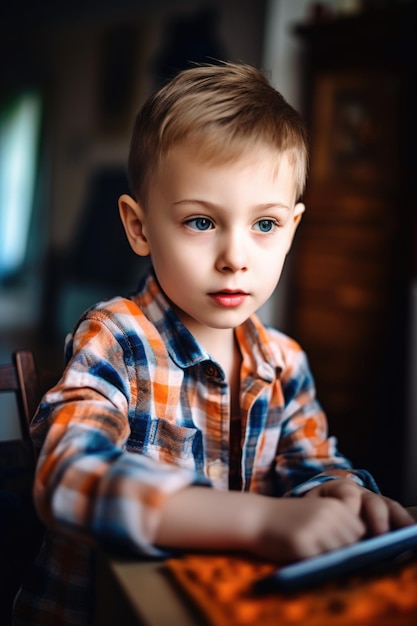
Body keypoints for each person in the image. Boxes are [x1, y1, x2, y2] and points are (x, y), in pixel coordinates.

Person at [14, 62, 414, 626]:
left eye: (265, 225)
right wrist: (256, 520)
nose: (236, 256)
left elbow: (315, 465)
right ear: (140, 227)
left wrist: (339, 496)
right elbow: (66, 476)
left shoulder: (284, 362)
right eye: (202, 222)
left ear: (293, 228)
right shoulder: (117, 338)